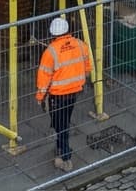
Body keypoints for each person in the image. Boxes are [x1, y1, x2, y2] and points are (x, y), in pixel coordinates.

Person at [36, 16, 92, 171]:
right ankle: (60, 146)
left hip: (58, 95)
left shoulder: (50, 52)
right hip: (74, 92)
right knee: (64, 120)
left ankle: (65, 157)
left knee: (61, 126)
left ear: (53, 34)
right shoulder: (81, 45)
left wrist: (40, 97)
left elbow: (44, 76)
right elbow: (87, 66)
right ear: (68, 31)